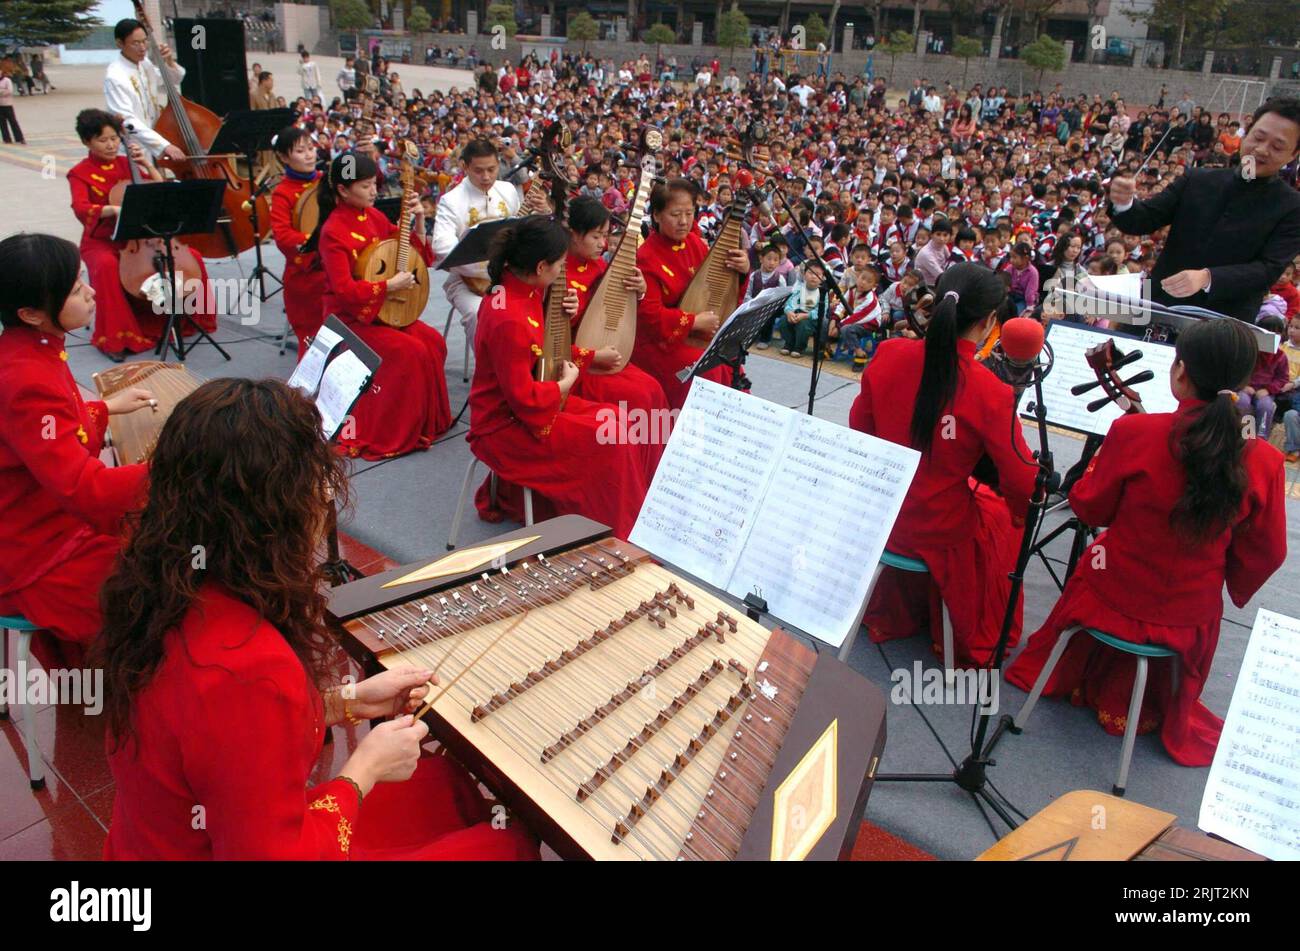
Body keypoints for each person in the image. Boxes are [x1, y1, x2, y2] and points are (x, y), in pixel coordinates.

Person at [97, 377, 539, 861]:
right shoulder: (244, 666)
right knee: (505, 845)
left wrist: (344, 703)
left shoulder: (167, 582)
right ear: (275, 515)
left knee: (439, 780)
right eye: (316, 485)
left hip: (169, 839)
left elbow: (221, 740)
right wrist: (363, 769)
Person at [1007, 319, 1287, 766]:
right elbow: (1268, 552)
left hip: (1112, 592)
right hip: (1188, 613)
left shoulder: (1137, 433)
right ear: (1243, 383)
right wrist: (1217, 569)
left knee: (1096, 557)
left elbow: (1090, 509)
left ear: (1179, 373)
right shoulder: (1266, 461)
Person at [849, 265, 1038, 666]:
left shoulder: (889, 353)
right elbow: (1022, 482)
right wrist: (1020, 515)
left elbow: (859, 430)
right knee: (1003, 518)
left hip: (882, 512)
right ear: (990, 322)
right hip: (935, 527)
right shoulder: (991, 391)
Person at [0, 234, 154, 670]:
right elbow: (85, 489)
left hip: (40, 521)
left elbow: (38, 433)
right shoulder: (26, 377)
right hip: (36, 549)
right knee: (166, 581)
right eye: (73, 289)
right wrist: (177, 463)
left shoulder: (27, 350)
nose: (89, 291)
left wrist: (102, 407)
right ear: (30, 313)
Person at [468, 216, 657, 538]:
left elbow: (540, 353)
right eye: (559, 264)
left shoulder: (517, 292)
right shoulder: (509, 316)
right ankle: (614, 533)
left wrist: (567, 315)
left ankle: (624, 515)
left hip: (531, 403)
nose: (562, 270)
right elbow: (523, 398)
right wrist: (565, 384)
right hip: (505, 424)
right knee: (612, 437)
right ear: (541, 267)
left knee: (619, 420)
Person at [309, 151, 452, 459]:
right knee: (409, 351)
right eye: (364, 186)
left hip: (380, 311)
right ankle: (393, 432)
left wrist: (419, 219)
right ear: (343, 191)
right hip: (352, 319)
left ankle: (428, 423)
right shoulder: (332, 232)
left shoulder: (373, 216)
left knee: (433, 341)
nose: (373, 191)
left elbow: (407, 253)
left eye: (374, 184)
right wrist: (388, 286)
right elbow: (344, 290)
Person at [1107, 98, 1300, 322]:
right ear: (1245, 135)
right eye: (1258, 137)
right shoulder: (1197, 179)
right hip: (1158, 306)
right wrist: (1123, 202)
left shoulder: (1291, 206)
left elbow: (1268, 269)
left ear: (1293, 155)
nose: (1262, 150)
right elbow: (1142, 220)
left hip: (1223, 325)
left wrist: (1208, 278)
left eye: (1277, 146)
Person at [66, 109, 217, 359]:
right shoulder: (79, 173)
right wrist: (116, 209)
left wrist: (147, 164)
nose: (111, 145)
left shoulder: (128, 164)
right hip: (102, 241)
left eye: (115, 138)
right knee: (105, 266)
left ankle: (190, 320)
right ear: (87, 142)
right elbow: (80, 208)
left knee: (193, 257)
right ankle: (116, 338)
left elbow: (158, 190)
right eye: (103, 140)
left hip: (138, 238)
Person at [634, 178, 748, 409]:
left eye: (689, 213)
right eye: (675, 214)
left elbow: (719, 291)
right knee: (707, 368)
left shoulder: (695, 244)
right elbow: (649, 316)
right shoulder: (646, 257)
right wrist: (693, 322)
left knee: (731, 360)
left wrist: (743, 271)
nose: (684, 221)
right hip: (660, 344)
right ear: (656, 215)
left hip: (694, 333)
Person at [559, 197, 666, 414]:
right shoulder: (557, 272)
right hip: (573, 366)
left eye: (605, 236)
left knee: (653, 389)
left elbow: (619, 311)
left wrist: (640, 291)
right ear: (573, 233)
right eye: (595, 236)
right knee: (638, 397)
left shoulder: (600, 266)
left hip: (603, 353)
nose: (603, 244)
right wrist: (593, 356)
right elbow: (547, 343)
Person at [432, 139, 523, 342]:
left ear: (498, 164)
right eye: (478, 171)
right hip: (466, 281)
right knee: (479, 314)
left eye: (491, 169)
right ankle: (487, 370)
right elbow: (442, 246)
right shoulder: (452, 201)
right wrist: (486, 267)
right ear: (465, 166)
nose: (486, 177)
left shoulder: (507, 190)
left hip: (509, 276)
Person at [268, 126, 326, 357]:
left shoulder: (328, 180)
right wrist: (322, 240)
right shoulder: (282, 193)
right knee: (315, 340)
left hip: (335, 267)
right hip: (307, 275)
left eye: (311, 148)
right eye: (301, 151)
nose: (309, 155)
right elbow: (283, 237)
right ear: (283, 157)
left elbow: (360, 174)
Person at [104, 18, 185, 162]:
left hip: (155, 141)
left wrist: (169, 62)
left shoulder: (144, 64)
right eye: (135, 43)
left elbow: (173, 80)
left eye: (144, 41)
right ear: (119, 43)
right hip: (136, 147)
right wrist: (164, 145)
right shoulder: (115, 76)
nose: (142, 48)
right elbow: (127, 120)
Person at [0, 70, 24, 144]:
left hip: (8, 104)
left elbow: (10, 91)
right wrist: (3, 90)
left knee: (13, 121)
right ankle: (6, 139)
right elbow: (6, 91)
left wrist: (1, 92)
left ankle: (19, 138)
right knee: (2, 123)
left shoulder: (7, 80)